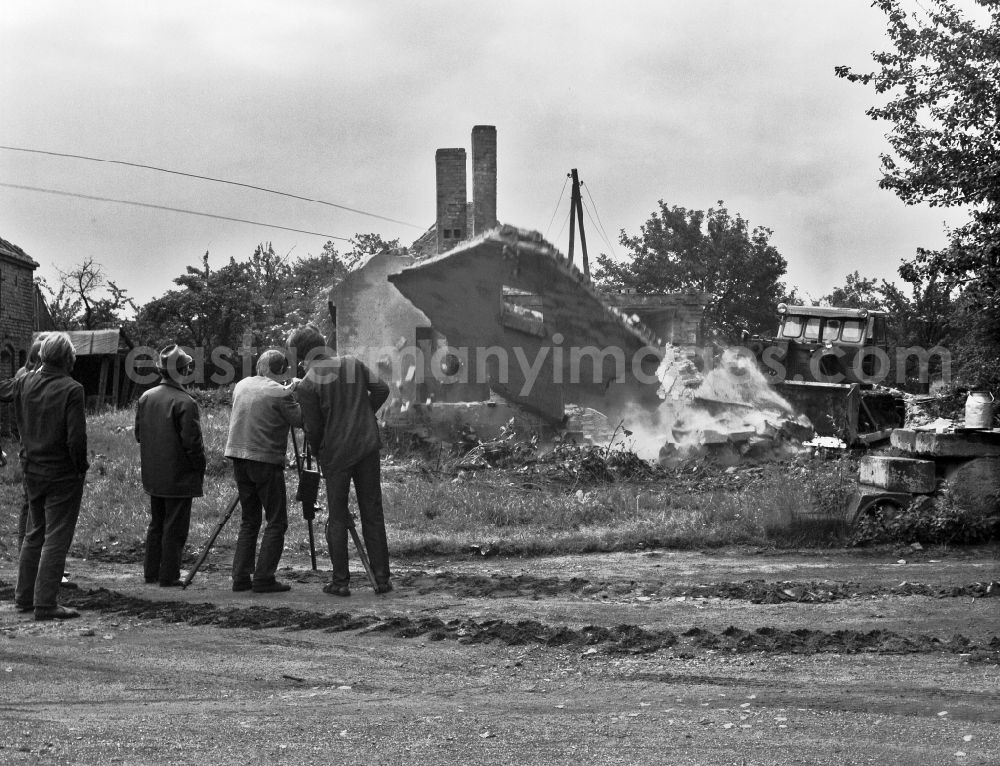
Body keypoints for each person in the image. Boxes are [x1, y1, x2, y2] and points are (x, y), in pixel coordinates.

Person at [286, 324, 392, 597]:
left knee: (337, 516)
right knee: (373, 512)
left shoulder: (308, 383)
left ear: (303, 355)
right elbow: (382, 390)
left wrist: (322, 454)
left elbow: (313, 428)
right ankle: (382, 579)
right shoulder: (351, 363)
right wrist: (364, 416)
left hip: (335, 453)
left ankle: (340, 582)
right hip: (367, 447)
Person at [12, 332, 88, 621]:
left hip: (32, 470)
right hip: (61, 473)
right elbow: (76, 439)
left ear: (42, 356)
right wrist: (80, 467)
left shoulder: (24, 382)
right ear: (68, 358)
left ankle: (23, 597)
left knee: (34, 533)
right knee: (56, 537)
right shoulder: (72, 389)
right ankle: (45, 603)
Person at [224, 349, 302, 593]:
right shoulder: (281, 392)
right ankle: (264, 577)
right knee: (276, 521)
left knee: (250, 520)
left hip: (238, 456)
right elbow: (300, 420)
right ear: (282, 370)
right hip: (265, 460)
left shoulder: (241, 384)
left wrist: (286, 387)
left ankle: (240, 577)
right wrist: (296, 390)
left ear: (260, 366)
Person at [135, 344, 205, 587]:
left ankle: (151, 572)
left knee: (157, 524)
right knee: (175, 527)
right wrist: (199, 469)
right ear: (183, 370)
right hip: (178, 476)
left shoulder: (145, 398)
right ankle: (169, 575)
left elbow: (139, 435)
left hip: (153, 475)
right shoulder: (186, 402)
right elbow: (193, 445)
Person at [1, 333, 47, 551]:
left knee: (32, 504)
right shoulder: (26, 380)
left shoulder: (23, 378)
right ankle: (29, 554)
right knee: (32, 505)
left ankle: (28, 554)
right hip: (35, 450)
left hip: (29, 450)